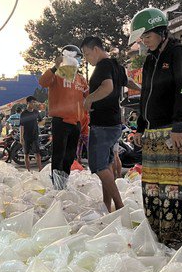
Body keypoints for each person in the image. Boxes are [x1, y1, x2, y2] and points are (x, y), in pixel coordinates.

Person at [130, 8, 182, 247]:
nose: (145, 42)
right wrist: (140, 127)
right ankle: (158, 235)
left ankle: (177, 238)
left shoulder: (179, 54)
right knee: (153, 187)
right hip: (151, 132)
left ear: (161, 32)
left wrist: (179, 125)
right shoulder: (150, 60)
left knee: (174, 187)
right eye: (142, 38)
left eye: (147, 36)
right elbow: (144, 94)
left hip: (171, 131)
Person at [81, 36, 131, 212]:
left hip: (102, 125)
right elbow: (128, 82)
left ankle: (119, 205)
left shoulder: (103, 66)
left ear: (96, 49)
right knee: (107, 165)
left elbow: (108, 87)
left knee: (99, 167)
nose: (87, 59)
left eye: (87, 54)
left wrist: (89, 99)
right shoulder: (116, 66)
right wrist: (145, 88)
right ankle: (106, 206)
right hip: (114, 123)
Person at [39, 45, 88, 190]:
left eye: (79, 57)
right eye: (75, 57)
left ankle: (63, 183)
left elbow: (88, 95)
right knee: (59, 155)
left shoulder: (81, 79)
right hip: (60, 121)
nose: (77, 60)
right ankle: (56, 185)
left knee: (69, 156)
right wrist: (55, 67)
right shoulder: (57, 75)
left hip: (76, 122)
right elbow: (42, 82)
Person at [20, 96, 43, 172]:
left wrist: (37, 124)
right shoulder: (23, 113)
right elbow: (22, 126)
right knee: (26, 154)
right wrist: (21, 137)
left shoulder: (36, 112)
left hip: (35, 135)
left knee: (37, 154)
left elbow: (41, 120)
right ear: (28, 103)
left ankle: (40, 170)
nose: (33, 104)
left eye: (34, 102)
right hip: (26, 136)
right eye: (32, 102)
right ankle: (28, 171)